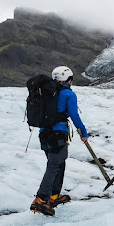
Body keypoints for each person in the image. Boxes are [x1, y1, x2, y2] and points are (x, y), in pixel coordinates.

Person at [30, 66, 88, 216]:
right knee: (54, 165)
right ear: (69, 80)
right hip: (58, 134)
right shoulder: (68, 94)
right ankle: (41, 199)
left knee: (59, 164)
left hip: (44, 133)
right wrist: (83, 132)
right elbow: (74, 115)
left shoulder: (48, 93)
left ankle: (54, 196)